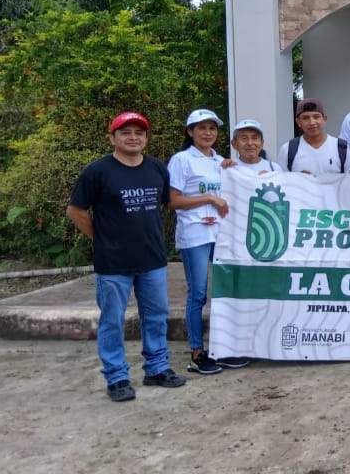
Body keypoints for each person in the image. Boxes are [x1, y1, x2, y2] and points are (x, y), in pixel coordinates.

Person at [67, 111, 187, 401]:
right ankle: (117, 377)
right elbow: (76, 210)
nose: (133, 137)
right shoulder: (97, 172)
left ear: (146, 138)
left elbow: (163, 205)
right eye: (126, 132)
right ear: (113, 138)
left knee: (156, 317)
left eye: (139, 133)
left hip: (152, 259)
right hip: (113, 264)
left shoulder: (157, 168)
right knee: (112, 320)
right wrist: (103, 238)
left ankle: (157, 368)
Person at [168, 108, 248, 375]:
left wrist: (234, 170)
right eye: (201, 128)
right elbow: (172, 200)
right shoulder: (181, 160)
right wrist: (209, 198)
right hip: (196, 235)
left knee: (226, 291)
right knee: (198, 293)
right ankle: (197, 352)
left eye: (212, 128)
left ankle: (224, 347)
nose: (207, 133)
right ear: (190, 131)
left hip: (222, 234)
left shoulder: (221, 161)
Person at [277, 98, 350, 174]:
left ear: (324, 119)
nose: (312, 122)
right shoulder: (288, 149)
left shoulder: (341, 147)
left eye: (316, 117)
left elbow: (349, 179)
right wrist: (298, 177)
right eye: (305, 118)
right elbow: (281, 179)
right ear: (298, 122)